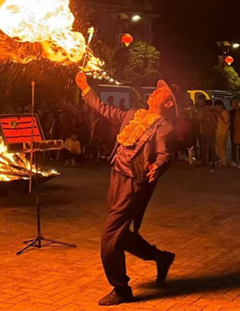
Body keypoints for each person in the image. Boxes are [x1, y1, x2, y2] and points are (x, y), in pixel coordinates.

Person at [75, 71, 177, 306]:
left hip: (133, 183)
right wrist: (85, 88)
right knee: (121, 234)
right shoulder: (133, 114)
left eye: (161, 92)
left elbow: (165, 154)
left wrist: (157, 166)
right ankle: (161, 257)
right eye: (157, 89)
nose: (155, 91)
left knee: (110, 236)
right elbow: (104, 109)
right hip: (116, 176)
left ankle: (121, 288)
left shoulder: (164, 126)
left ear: (168, 103)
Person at [197, 100, 217, 165]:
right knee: (203, 147)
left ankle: (213, 160)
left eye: (208, 106)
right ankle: (204, 161)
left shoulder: (214, 112)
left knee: (212, 147)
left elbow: (216, 122)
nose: (207, 108)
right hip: (203, 132)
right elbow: (199, 120)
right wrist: (204, 117)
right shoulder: (202, 112)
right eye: (206, 106)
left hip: (211, 132)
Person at [215, 100, 230, 168]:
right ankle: (221, 161)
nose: (216, 108)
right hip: (219, 132)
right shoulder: (221, 113)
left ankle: (224, 162)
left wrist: (219, 115)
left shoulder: (224, 112)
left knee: (221, 147)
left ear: (221, 106)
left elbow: (226, 121)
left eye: (217, 107)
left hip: (223, 132)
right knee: (219, 147)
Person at [228, 98, 240, 166]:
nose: (236, 104)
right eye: (234, 103)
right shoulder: (231, 112)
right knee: (233, 145)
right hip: (233, 130)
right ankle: (234, 160)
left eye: (237, 102)